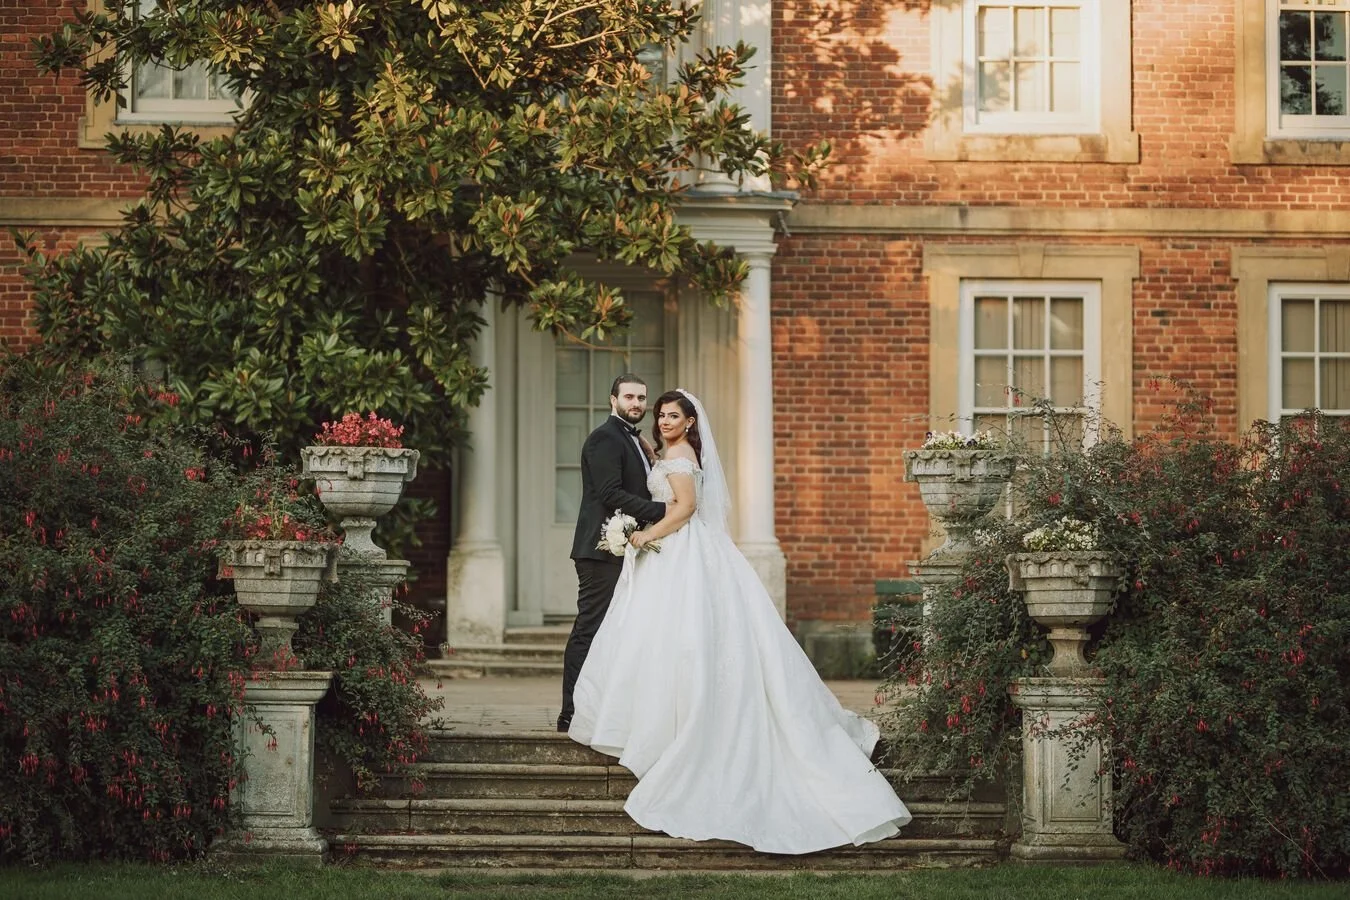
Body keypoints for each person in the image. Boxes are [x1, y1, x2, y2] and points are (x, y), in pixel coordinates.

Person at [568, 389, 912, 854]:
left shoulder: (682, 454)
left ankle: (677, 725)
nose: (665, 420)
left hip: (680, 552)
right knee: (658, 641)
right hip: (672, 555)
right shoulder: (664, 451)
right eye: (661, 414)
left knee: (686, 638)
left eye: (674, 415)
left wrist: (645, 534)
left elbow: (685, 509)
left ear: (691, 422)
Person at [558, 374, 667, 733]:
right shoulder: (605, 438)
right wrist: (665, 512)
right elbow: (610, 493)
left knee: (618, 632)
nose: (636, 403)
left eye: (641, 398)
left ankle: (603, 709)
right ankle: (570, 712)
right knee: (589, 628)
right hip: (600, 549)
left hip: (624, 548)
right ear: (613, 400)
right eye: (630, 397)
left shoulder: (633, 440)